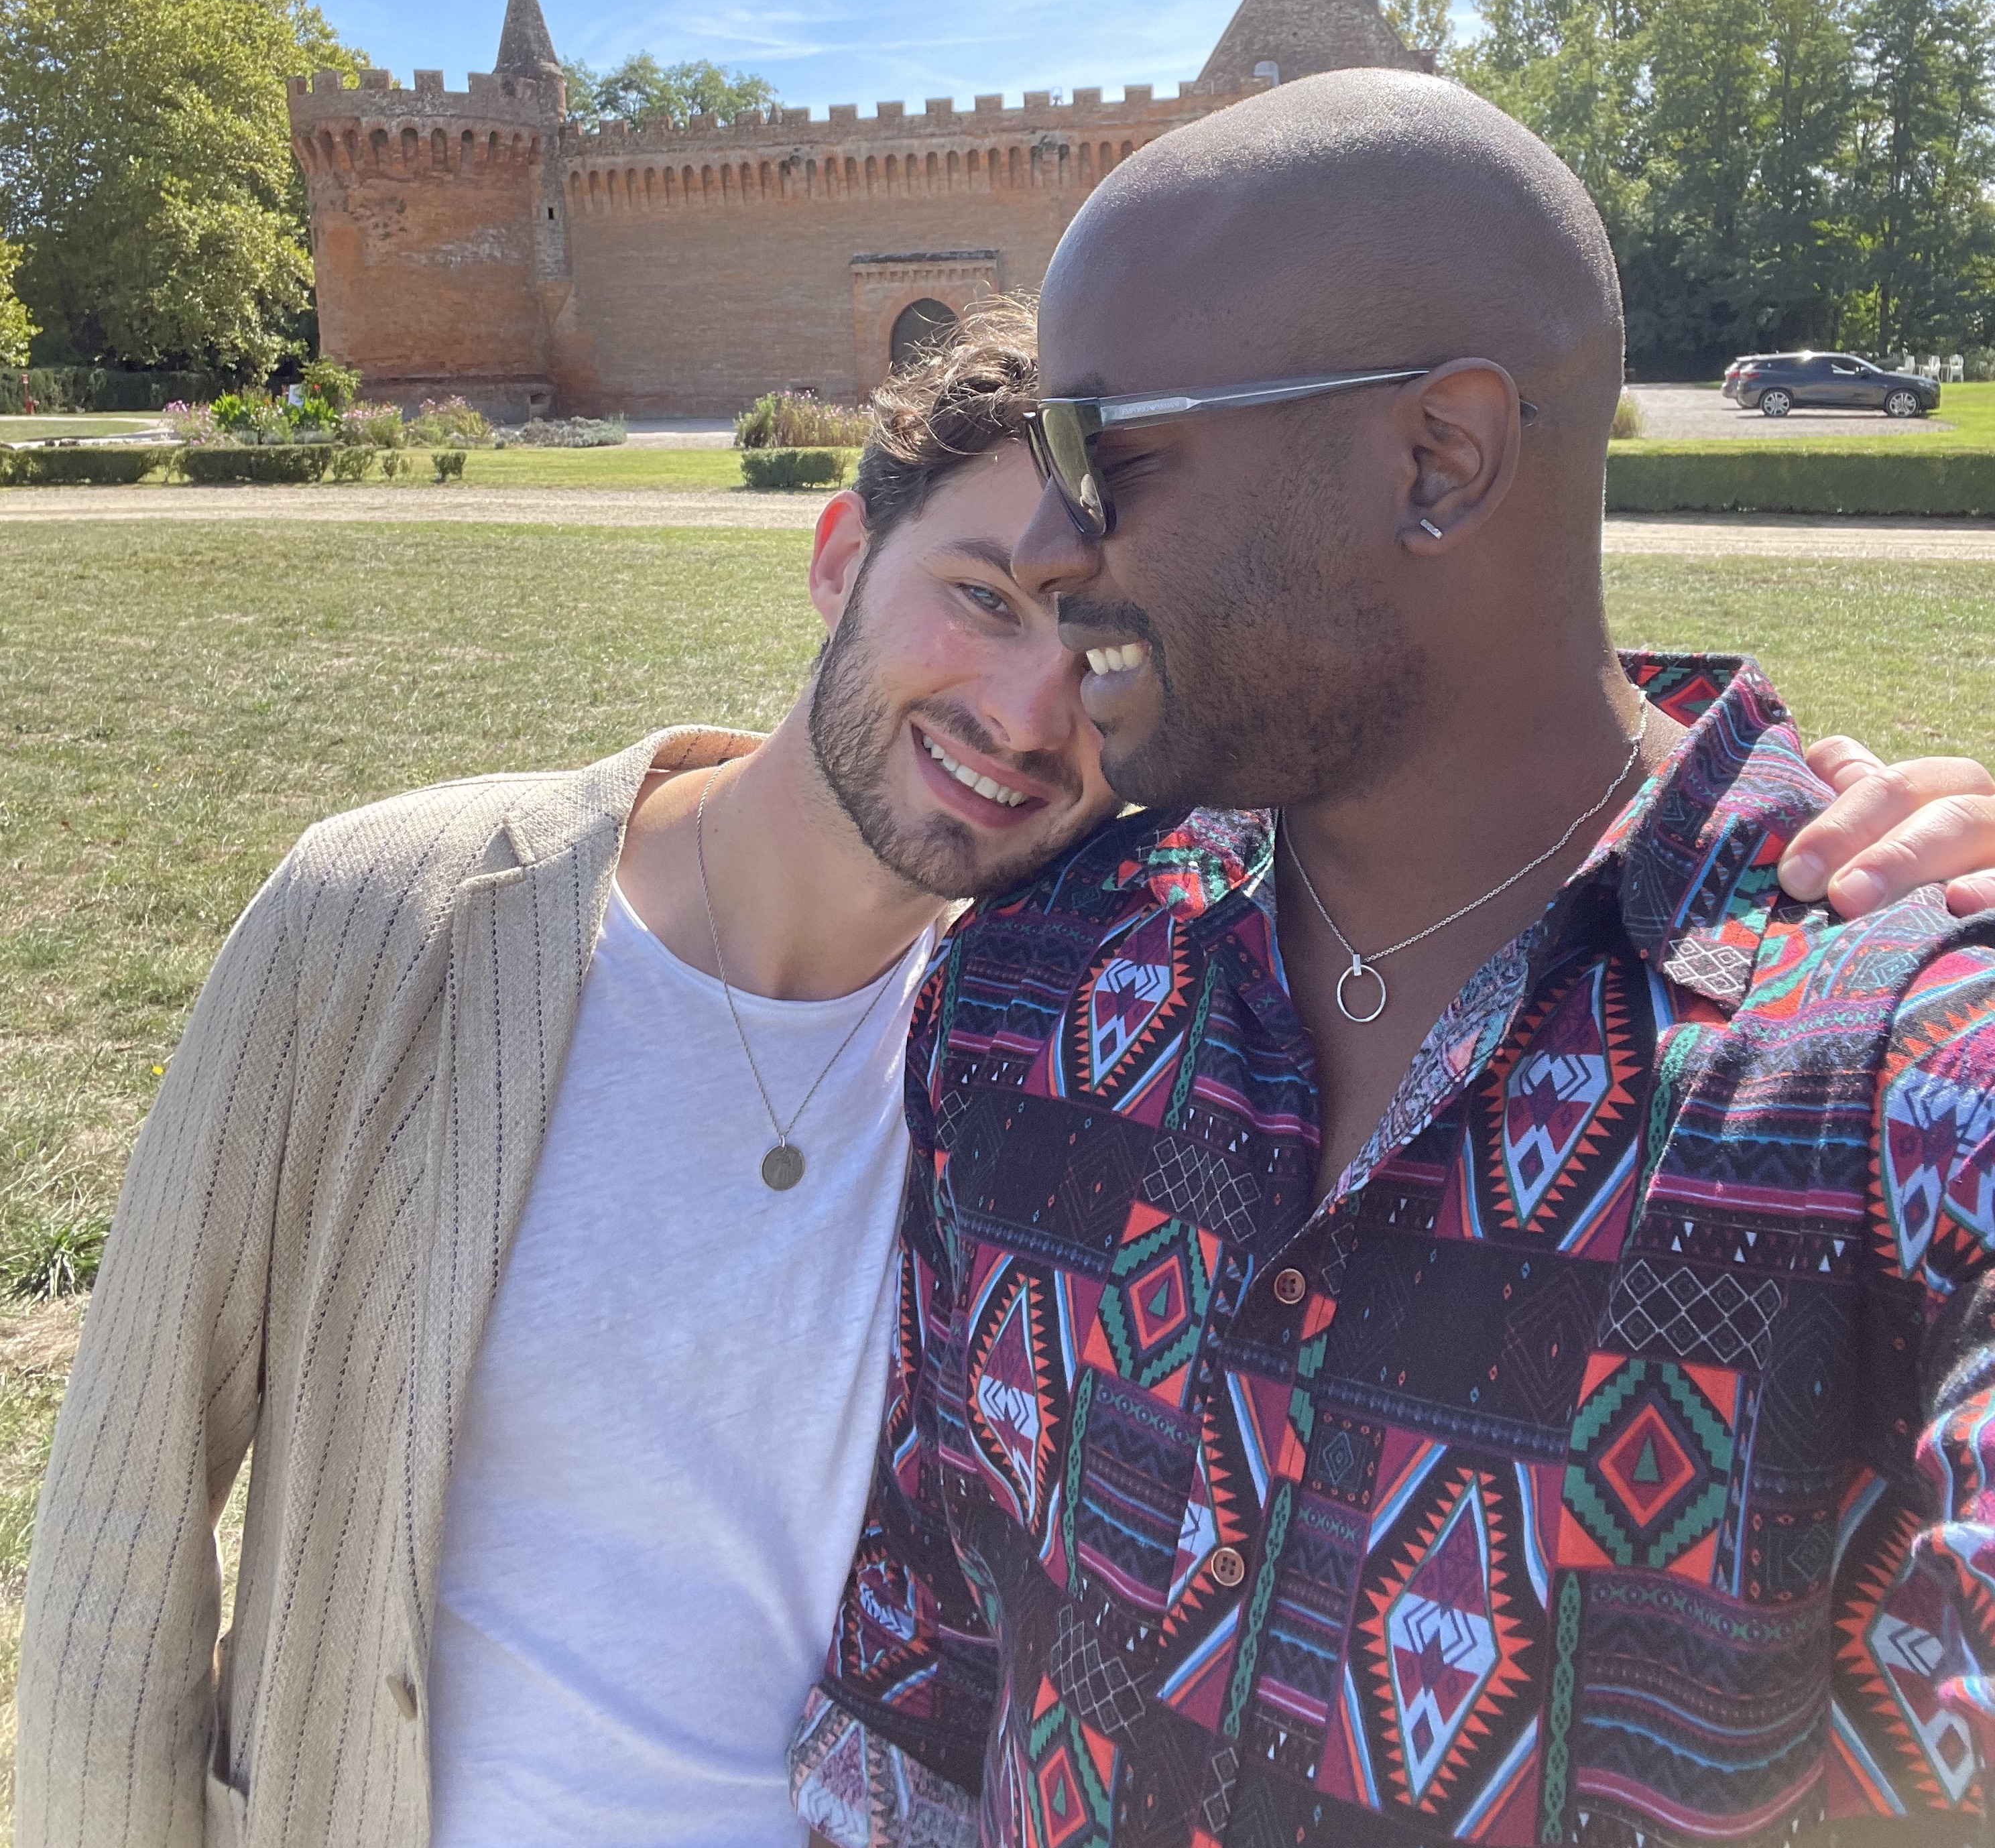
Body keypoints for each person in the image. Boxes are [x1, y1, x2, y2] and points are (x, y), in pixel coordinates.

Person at [13, 308, 1991, 1848]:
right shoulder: (399, 920)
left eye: (1109, 648)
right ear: (831, 558)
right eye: (980, 596)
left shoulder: (1071, 1029)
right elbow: (115, 1558)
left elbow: (1491, 744)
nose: (1033, 713)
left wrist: (1830, 832)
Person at [790, 78, 1995, 1848]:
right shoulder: (1030, 995)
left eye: (1109, 457)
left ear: (1441, 460)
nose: (1060, 549)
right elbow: (930, 1694)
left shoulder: (1899, 1087)